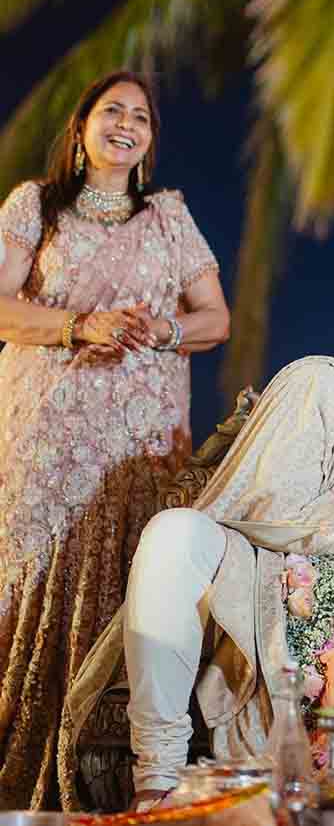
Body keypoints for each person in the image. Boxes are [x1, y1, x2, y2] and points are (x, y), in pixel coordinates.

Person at [67, 352, 334, 810]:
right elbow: (275, 507)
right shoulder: (323, 388)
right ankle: (157, 782)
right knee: (174, 532)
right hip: (261, 571)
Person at [0, 72, 230, 810]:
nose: (126, 124)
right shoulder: (35, 205)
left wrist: (163, 330)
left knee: (136, 591)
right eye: (112, 111)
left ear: (150, 141)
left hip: (142, 448)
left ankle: (116, 780)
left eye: (141, 117)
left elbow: (214, 319)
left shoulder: (169, 216)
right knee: (33, 584)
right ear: (82, 127)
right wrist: (77, 325)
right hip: (48, 436)